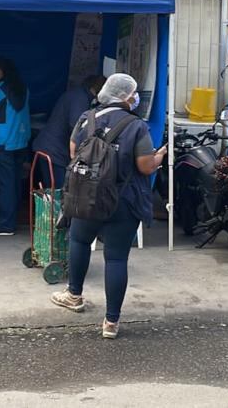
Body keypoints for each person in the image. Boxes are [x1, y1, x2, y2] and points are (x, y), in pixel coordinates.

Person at [50, 73, 165, 339]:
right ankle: (111, 323)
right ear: (127, 97)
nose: (136, 98)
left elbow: (73, 152)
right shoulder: (137, 126)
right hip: (124, 201)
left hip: (87, 195)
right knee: (115, 258)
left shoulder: (86, 118)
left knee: (79, 241)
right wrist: (159, 156)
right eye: (134, 93)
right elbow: (145, 166)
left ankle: (74, 295)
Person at [0, 57, 32, 236]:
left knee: (5, 185)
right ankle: (12, 219)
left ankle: (5, 225)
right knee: (15, 183)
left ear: (2, 72)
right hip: (20, 140)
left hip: (1, 142)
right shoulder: (23, 88)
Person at [32, 75, 106, 191]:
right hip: (54, 152)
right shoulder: (80, 98)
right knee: (59, 192)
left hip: (48, 147)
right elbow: (75, 126)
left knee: (51, 192)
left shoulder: (77, 95)